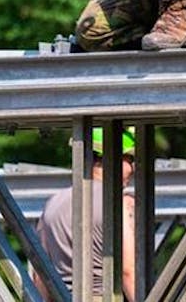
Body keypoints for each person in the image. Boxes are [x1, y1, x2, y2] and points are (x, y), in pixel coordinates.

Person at [34, 128, 137, 301]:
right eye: (130, 159)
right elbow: (129, 272)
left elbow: (41, 275)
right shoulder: (116, 202)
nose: (133, 168)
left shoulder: (53, 203)